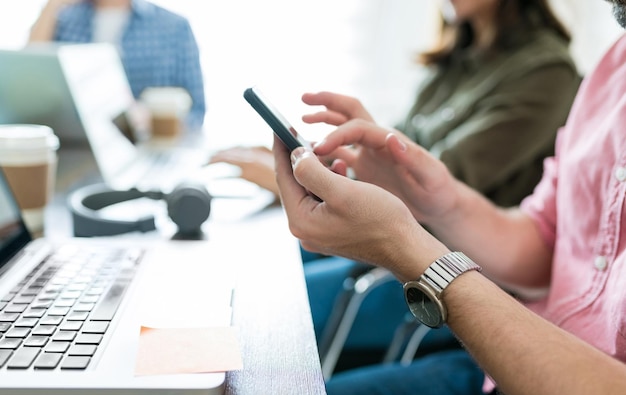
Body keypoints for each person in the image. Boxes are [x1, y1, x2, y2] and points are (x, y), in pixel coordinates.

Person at [272, 0, 626, 395]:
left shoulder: (547, 71)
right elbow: (544, 240)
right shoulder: (613, 67)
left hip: (531, 364)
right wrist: (441, 202)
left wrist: (408, 247)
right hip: (496, 376)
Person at [213, 0, 580, 357]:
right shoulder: (455, 59)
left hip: (441, 268)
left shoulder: (547, 73)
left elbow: (429, 184)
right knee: (244, 278)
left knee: (258, 313)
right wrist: (335, 158)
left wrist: (299, 176)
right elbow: (399, 159)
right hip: (393, 249)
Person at [29, 0, 206, 129]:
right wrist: (52, 5)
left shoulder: (174, 26)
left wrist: (152, 118)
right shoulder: (65, 18)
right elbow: (31, 71)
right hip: (77, 142)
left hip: (145, 145)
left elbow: (197, 110)